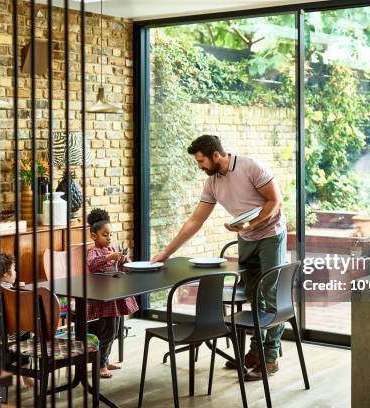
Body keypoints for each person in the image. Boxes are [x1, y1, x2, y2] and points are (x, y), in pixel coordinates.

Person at [151, 134, 286, 381]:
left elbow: (275, 200)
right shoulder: (212, 182)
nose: (199, 166)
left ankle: (270, 357)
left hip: (270, 234)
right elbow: (195, 221)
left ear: (215, 155)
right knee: (254, 296)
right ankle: (255, 352)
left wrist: (252, 223)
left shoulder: (249, 166)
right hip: (246, 238)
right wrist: (167, 252)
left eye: (201, 161)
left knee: (270, 294)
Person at [86, 208, 139, 379]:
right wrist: (110, 257)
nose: (109, 238)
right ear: (94, 236)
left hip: (115, 296)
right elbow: (93, 265)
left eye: (110, 235)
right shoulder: (94, 252)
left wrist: (123, 260)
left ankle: (105, 359)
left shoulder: (113, 249)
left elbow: (125, 268)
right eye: (105, 234)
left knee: (115, 331)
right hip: (104, 299)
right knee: (108, 331)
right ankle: (100, 365)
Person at [0, 253, 33, 387]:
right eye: (14, 269)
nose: (15, 272)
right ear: (5, 274)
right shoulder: (10, 292)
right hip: (16, 328)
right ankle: (26, 373)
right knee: (27, 334)